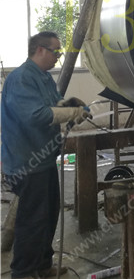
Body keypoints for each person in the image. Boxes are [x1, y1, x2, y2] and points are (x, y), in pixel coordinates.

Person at [1, 32, 90, 279]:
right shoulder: (21, 78)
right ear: (40, 50)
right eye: (56, 51)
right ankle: (23, 272)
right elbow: (36, 115)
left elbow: (53, 105)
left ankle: (41, 265)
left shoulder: (44, 77)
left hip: (44, 159)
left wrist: (68, 104)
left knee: (49, 215)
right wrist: (72, 113)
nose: (58, 57)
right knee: (32, 220)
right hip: (26, 162)